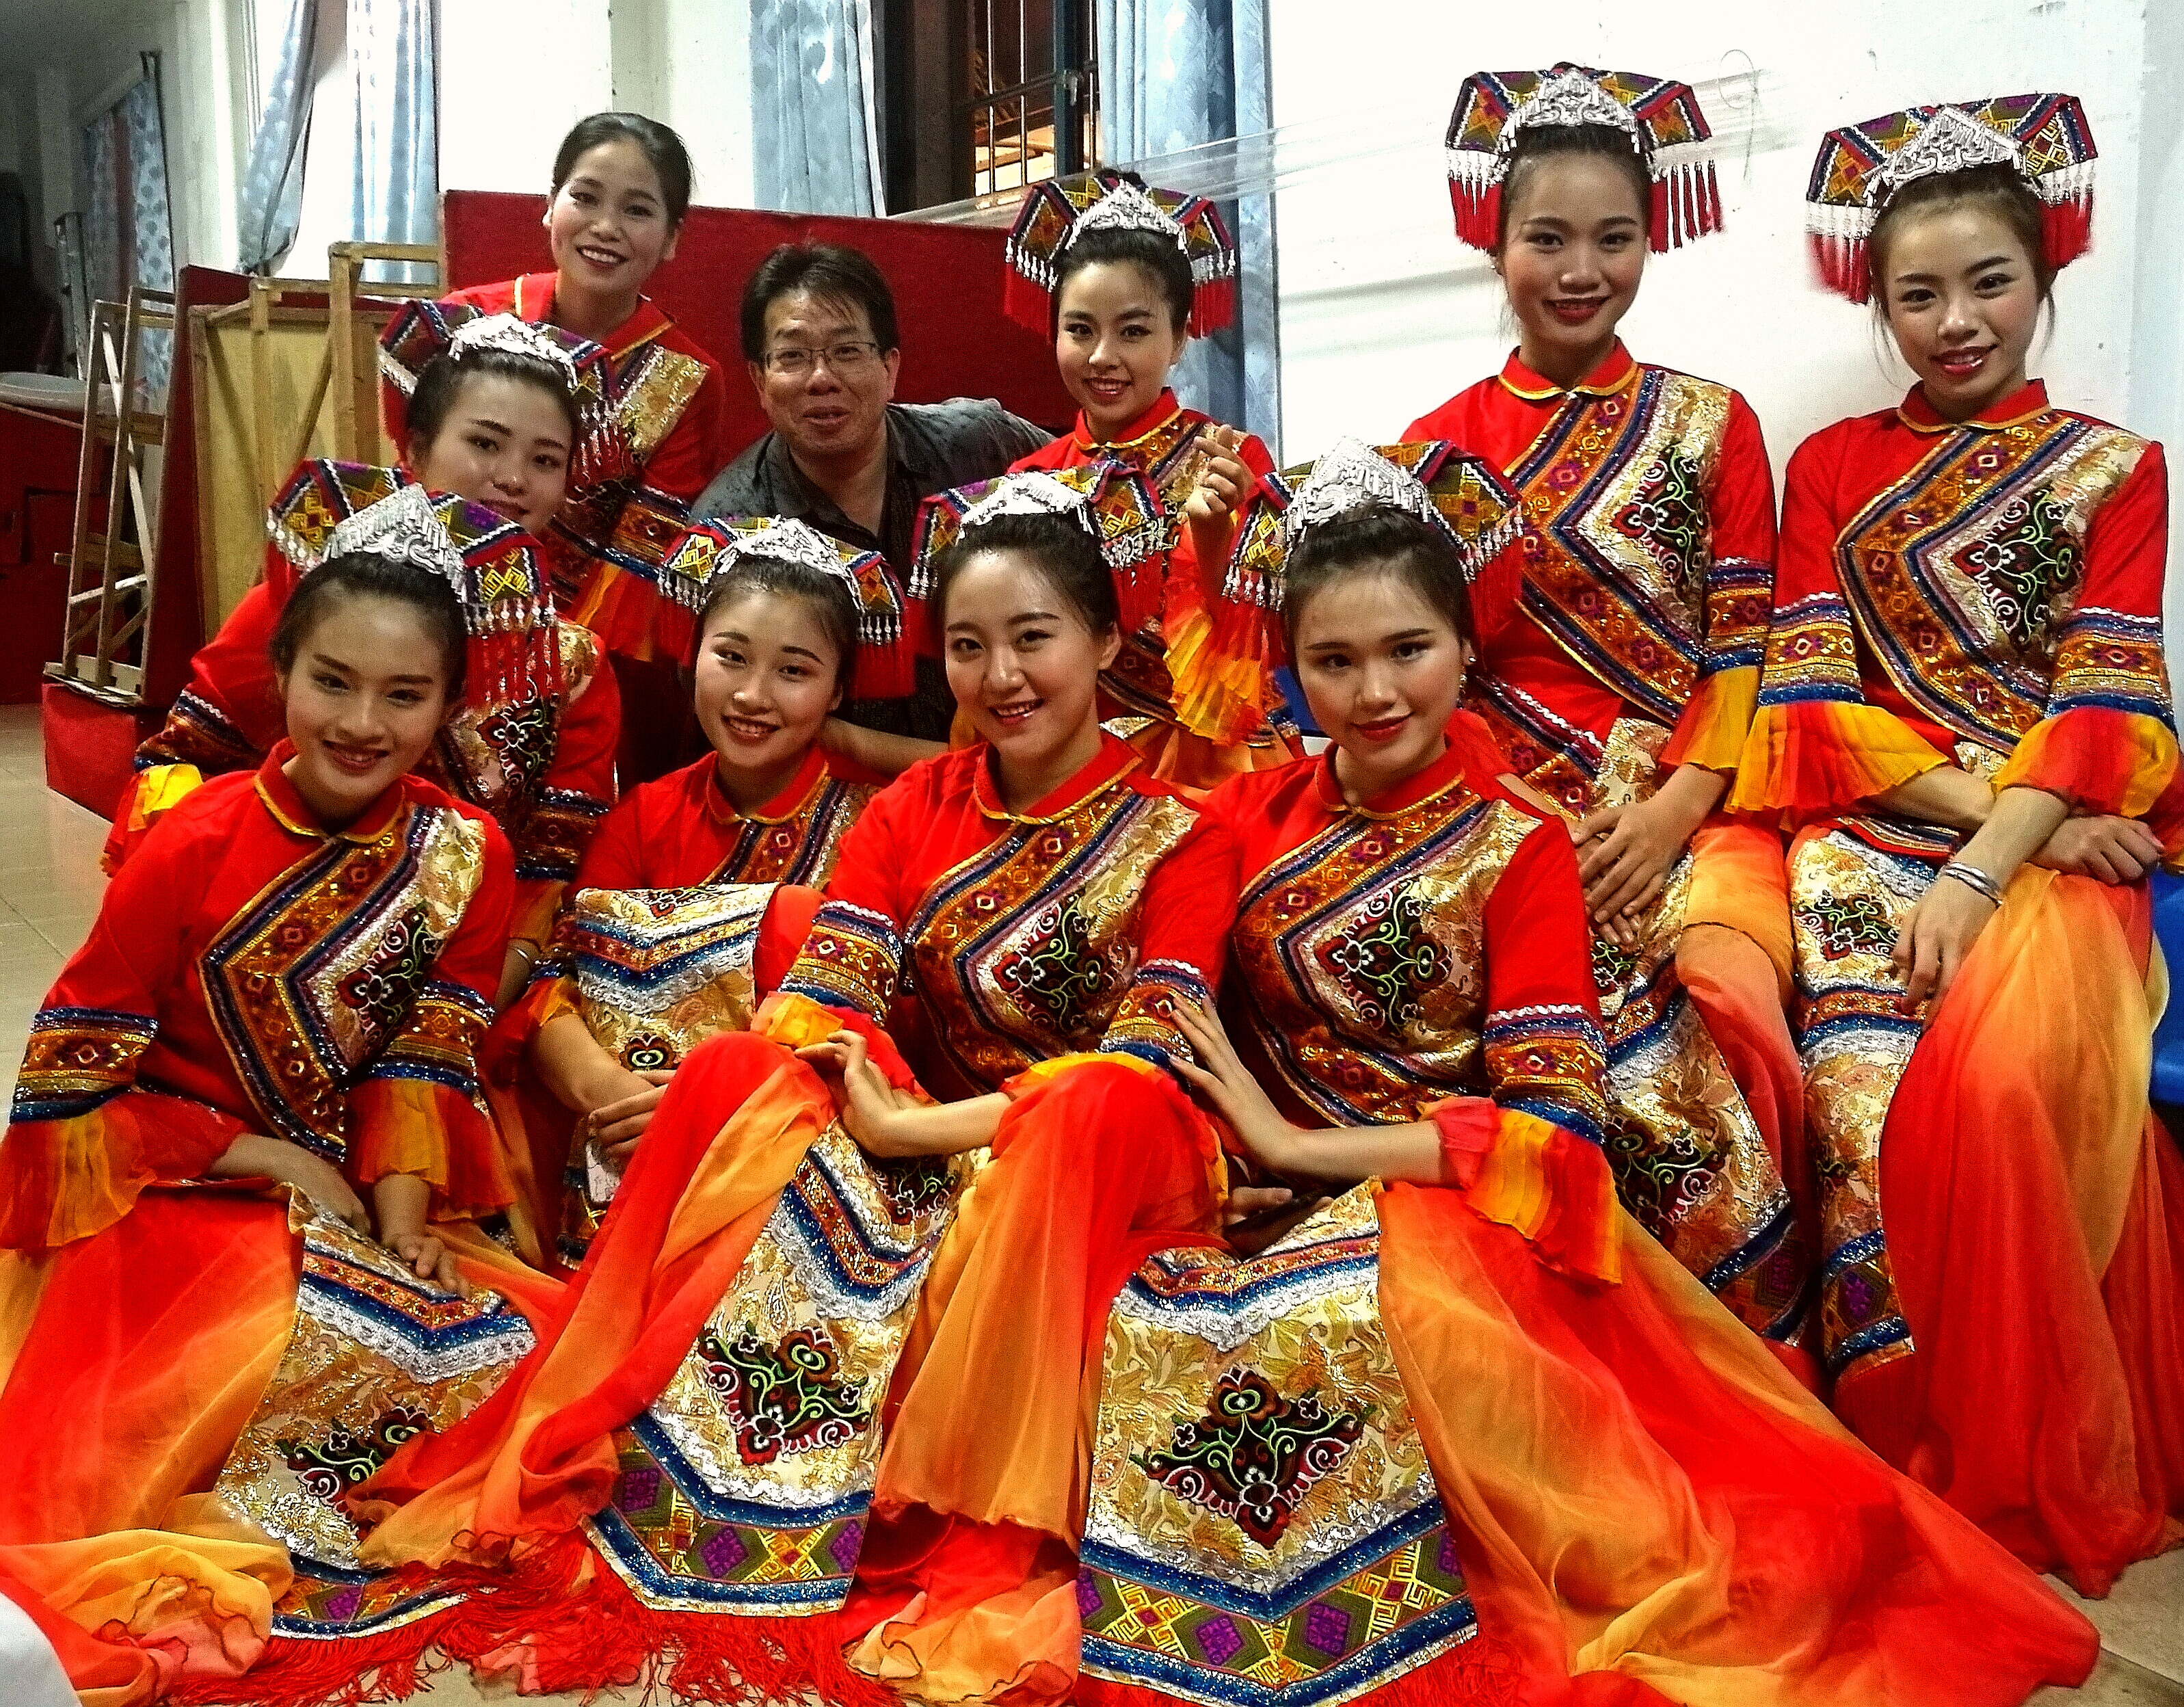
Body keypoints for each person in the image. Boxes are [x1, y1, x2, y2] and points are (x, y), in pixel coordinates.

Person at [841, 445, 2098, 1707]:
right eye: (1333, 662)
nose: (1373, 692)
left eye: (1407, 650)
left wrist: (1295, 1147)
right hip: (1268, 1212)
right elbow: (1164, 999)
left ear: (1460, 648)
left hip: (1448, 1217)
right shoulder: (1242, 820)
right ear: (1294, 669)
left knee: (1431, 1407)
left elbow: (1551, 1134)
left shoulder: (1519, 844)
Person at [237, 472, 1229, 1706]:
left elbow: (1153, 1055)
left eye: (1033, 639)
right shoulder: (913, 805)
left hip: (1099, 1149)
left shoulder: (1182, 829)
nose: (1000, 675)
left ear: (1106, 645)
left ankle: (968, 1513)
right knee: (735, 1063)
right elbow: (823, 998)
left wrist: (913, 1123)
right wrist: (864, 1100)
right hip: (923, 1131)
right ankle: (660, 1438)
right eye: (968, 646)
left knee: (1096, 1100)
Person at [1730, 93, 2184, 1595]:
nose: (1954, 321)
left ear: (2043, 275)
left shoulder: (2115, 467)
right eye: (1916, 292)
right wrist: (1999, 824)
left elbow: (2104, 693)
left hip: (2053, 853)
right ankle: (1893, 1438)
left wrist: (2000, 862)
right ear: (1874, 302)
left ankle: (2019, 1441)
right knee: (1859, 1102)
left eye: (1987, 281)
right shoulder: (1828, 468)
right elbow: (1808, 705)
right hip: (1885, 837)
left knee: (1991, 1090)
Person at [0, 497, 563, 1704]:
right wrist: (266, 1156)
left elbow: (424, 1056)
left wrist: (402, 1222)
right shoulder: (189, 843)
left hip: (353, 1195)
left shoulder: (467, 853)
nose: (362, 724)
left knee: (529, 1352)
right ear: (282, 675)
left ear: (448, 707)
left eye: (403, 696)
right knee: (232, 1367)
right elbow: (59, 1101)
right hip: (172, 1195)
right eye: (332, 683)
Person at [1404, 64, 1811, 1371]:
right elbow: (1430, 673)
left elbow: (1740, 647)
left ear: (1650, 239)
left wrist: (1671, 811)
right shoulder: (1434, 449)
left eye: (1611, 238)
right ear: (1493, 241)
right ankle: (1548, 1356)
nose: (1578, 271)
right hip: (1499, 807)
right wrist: (1519, 820)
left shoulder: (1712, 425)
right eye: (1546, 238)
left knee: (1723, 1000)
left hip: (1691, 796)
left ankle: (1735, 1361)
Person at [117, 318, 622, 1010]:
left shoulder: (567, 666)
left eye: (545, 460)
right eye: (484, 443)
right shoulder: (304, 604)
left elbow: (552, 861)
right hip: (252, 942)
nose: (512, 479)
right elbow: (180, 764)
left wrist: (471, 997)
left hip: (473, 961)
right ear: (416, 448)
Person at [485, 516, 886, 1264]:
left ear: (838, 690)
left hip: (789, 1135)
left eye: (794, 672)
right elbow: (556, 986)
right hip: (627, 1130)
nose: (752, 695)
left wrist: (712, 1099)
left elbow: (868, 1028)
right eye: (730, 657)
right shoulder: (644, 817)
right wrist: (610, 1091)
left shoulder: (875, 822)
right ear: (693, 654)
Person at [382, 111, 732, 776]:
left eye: (637, 210)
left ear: (671, 238)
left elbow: (636, 561)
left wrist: (542, 668)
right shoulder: (458, 323)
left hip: (578, 645)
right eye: (585, 197)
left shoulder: (686, 379)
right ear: (549, 205)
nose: (606, 226)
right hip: (423, 596)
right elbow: (417, 469)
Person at [987, 169, 1290, 793]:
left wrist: (1217, 541)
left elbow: (1268, 638)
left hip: (1210, 758)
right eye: (1080, 330)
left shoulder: (1231, 459)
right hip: (1067, 758)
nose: (1103, 356)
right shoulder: (1028, 480)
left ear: (1179, 338)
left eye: (1133, 331)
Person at [696, 241, 1051, 773]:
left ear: (890, 367)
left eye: (846, 351)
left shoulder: (977, 447)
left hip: (1020, 774)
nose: (822, 378)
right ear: (759, 381)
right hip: (828, 801)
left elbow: (1094, 473)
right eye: (793, 356)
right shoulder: (730, 527)